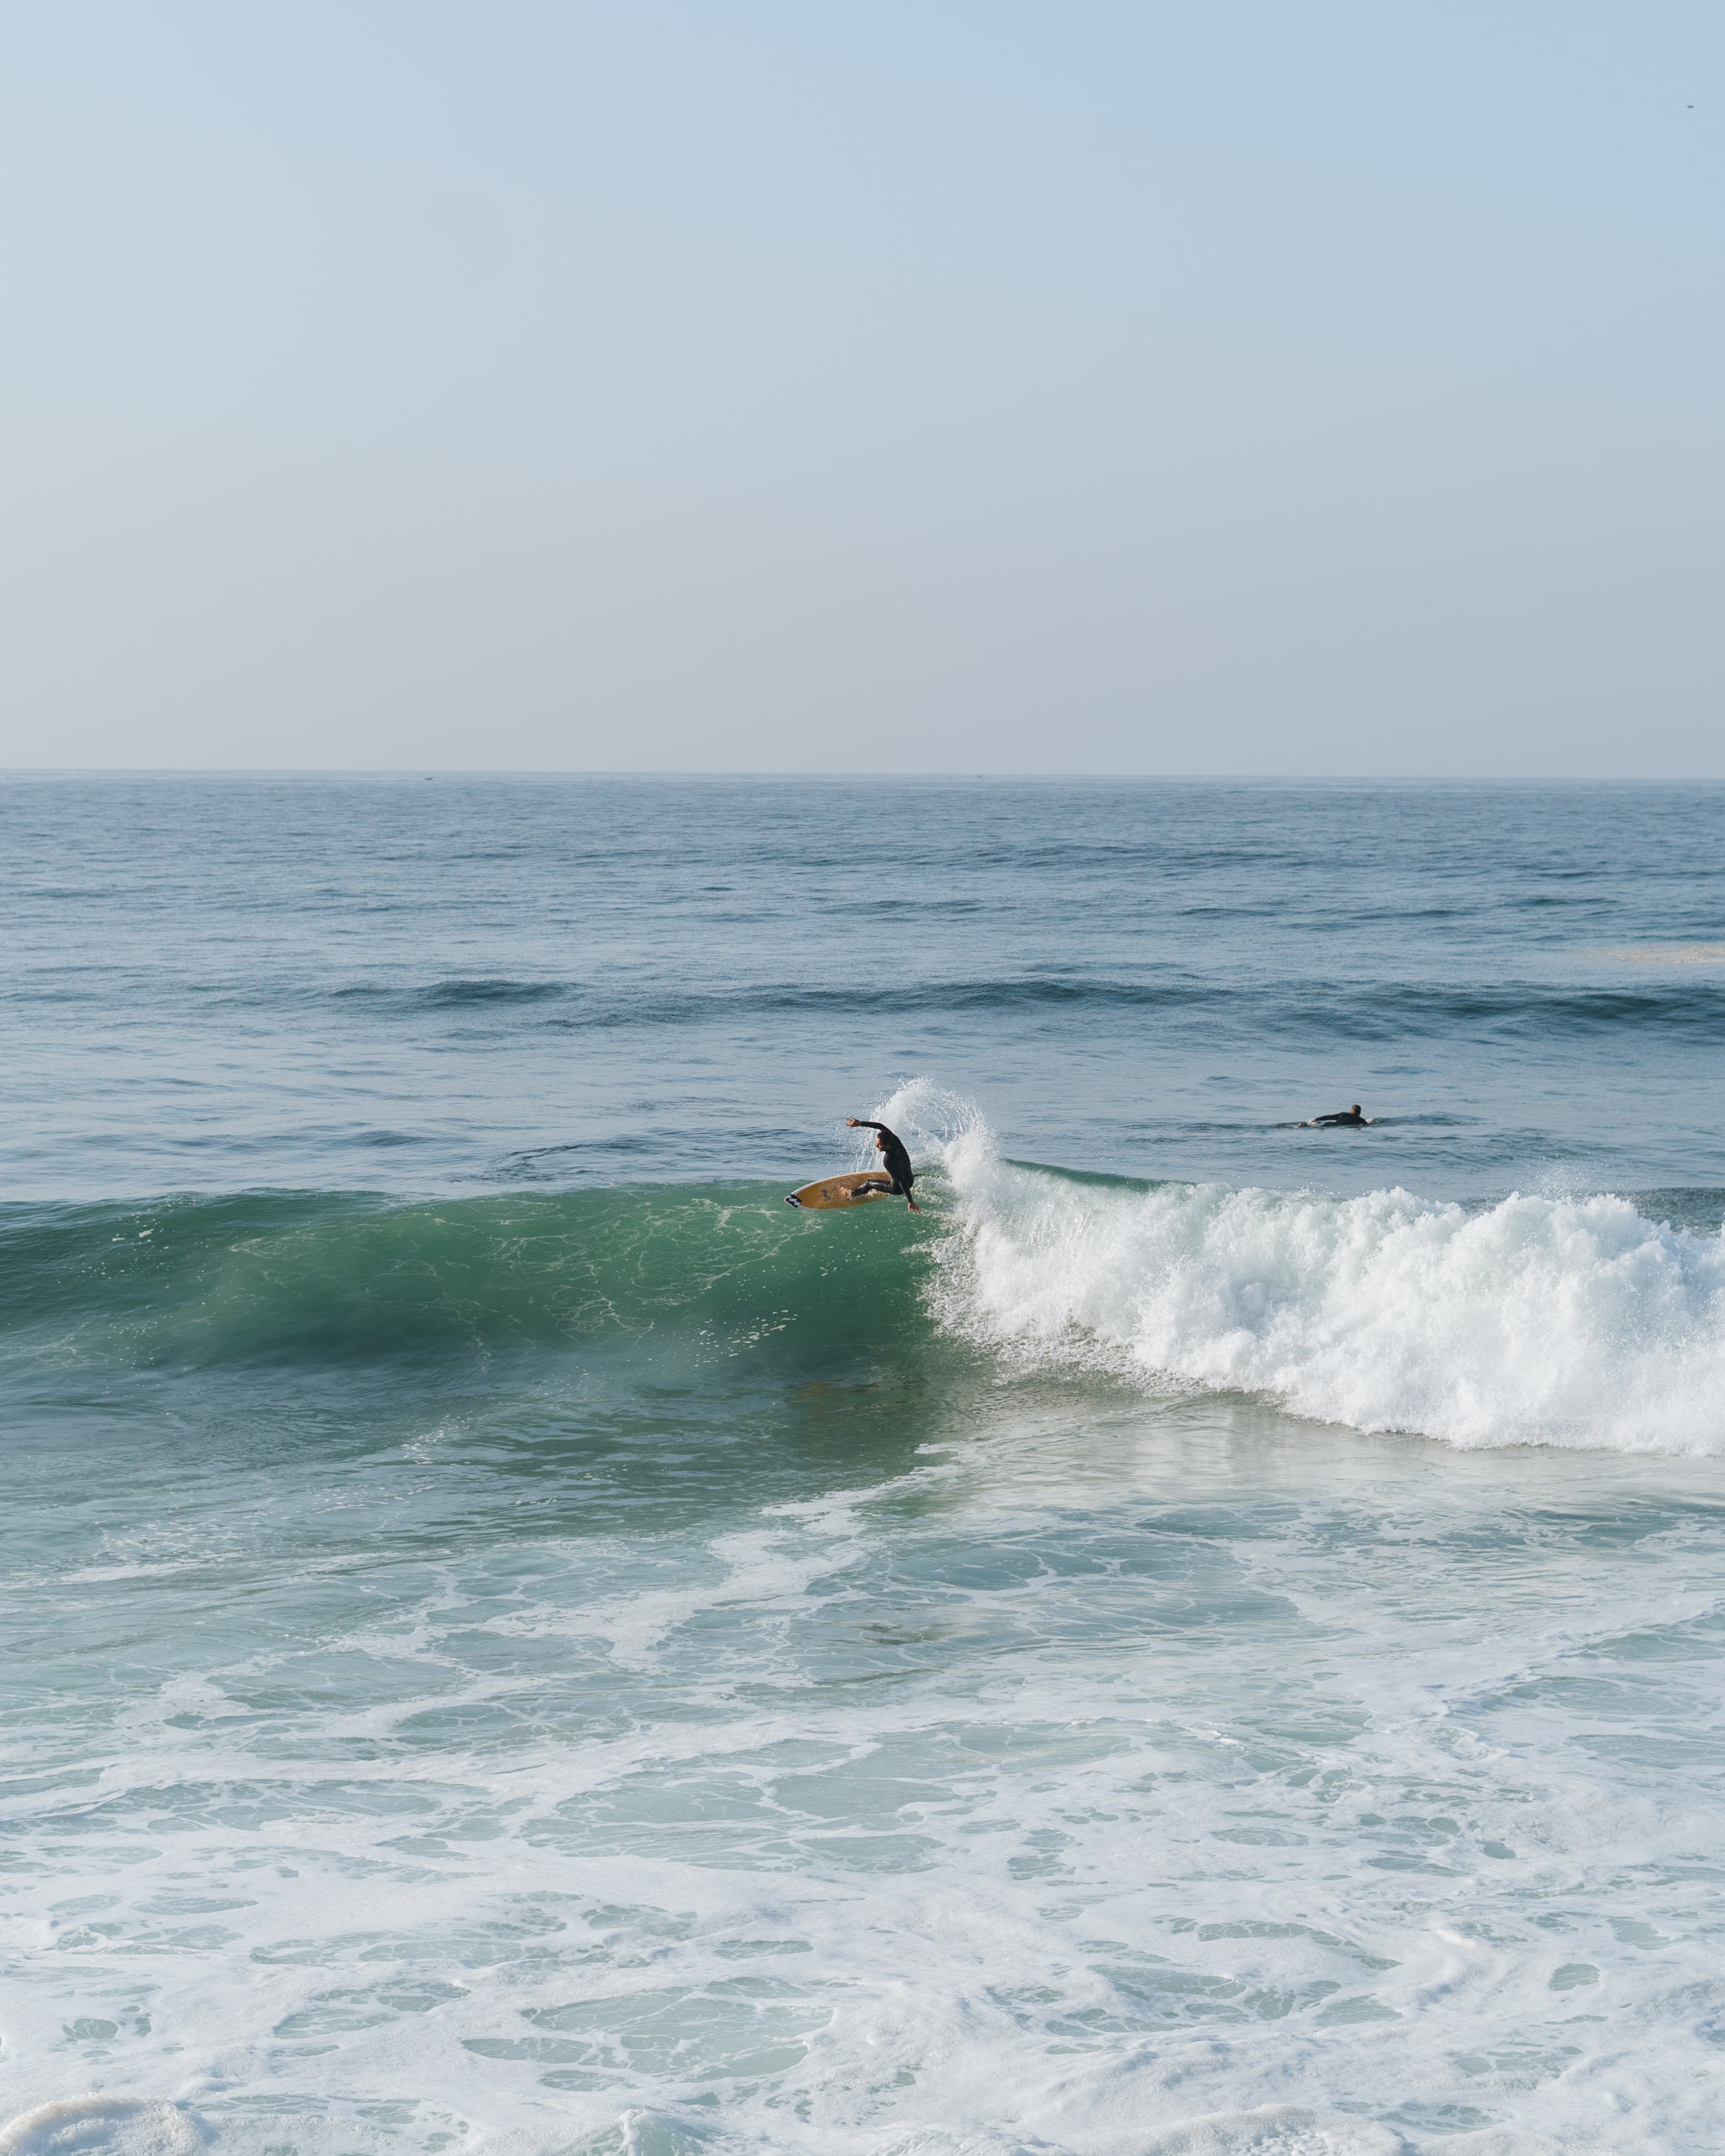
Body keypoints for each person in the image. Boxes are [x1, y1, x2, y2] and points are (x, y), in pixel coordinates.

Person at [845, 1117, 922, 1211]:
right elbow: (880, 1126)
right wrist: (860, 1123)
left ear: (888, 1146)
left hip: (897, 1189)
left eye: (880, 1144)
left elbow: (901, 1180)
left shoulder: (889, 1160)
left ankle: (851, 1195)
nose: (876, 1146)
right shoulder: (895, 1140)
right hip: (911, 1179)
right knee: (898, 1172)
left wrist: (910, 1201)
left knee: (869, 1183)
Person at [1304, 1104, 1370, 1128]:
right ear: (1359, 1112)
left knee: (1313, 1127)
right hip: (1336, 1128)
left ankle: (1304, 1125)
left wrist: (1317, 1119)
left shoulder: (1343, 1114)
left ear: (1351, 1111)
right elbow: (1368, 1125)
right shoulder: (1360, 1120)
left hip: (1329, 1124)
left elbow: (1329, 1117)